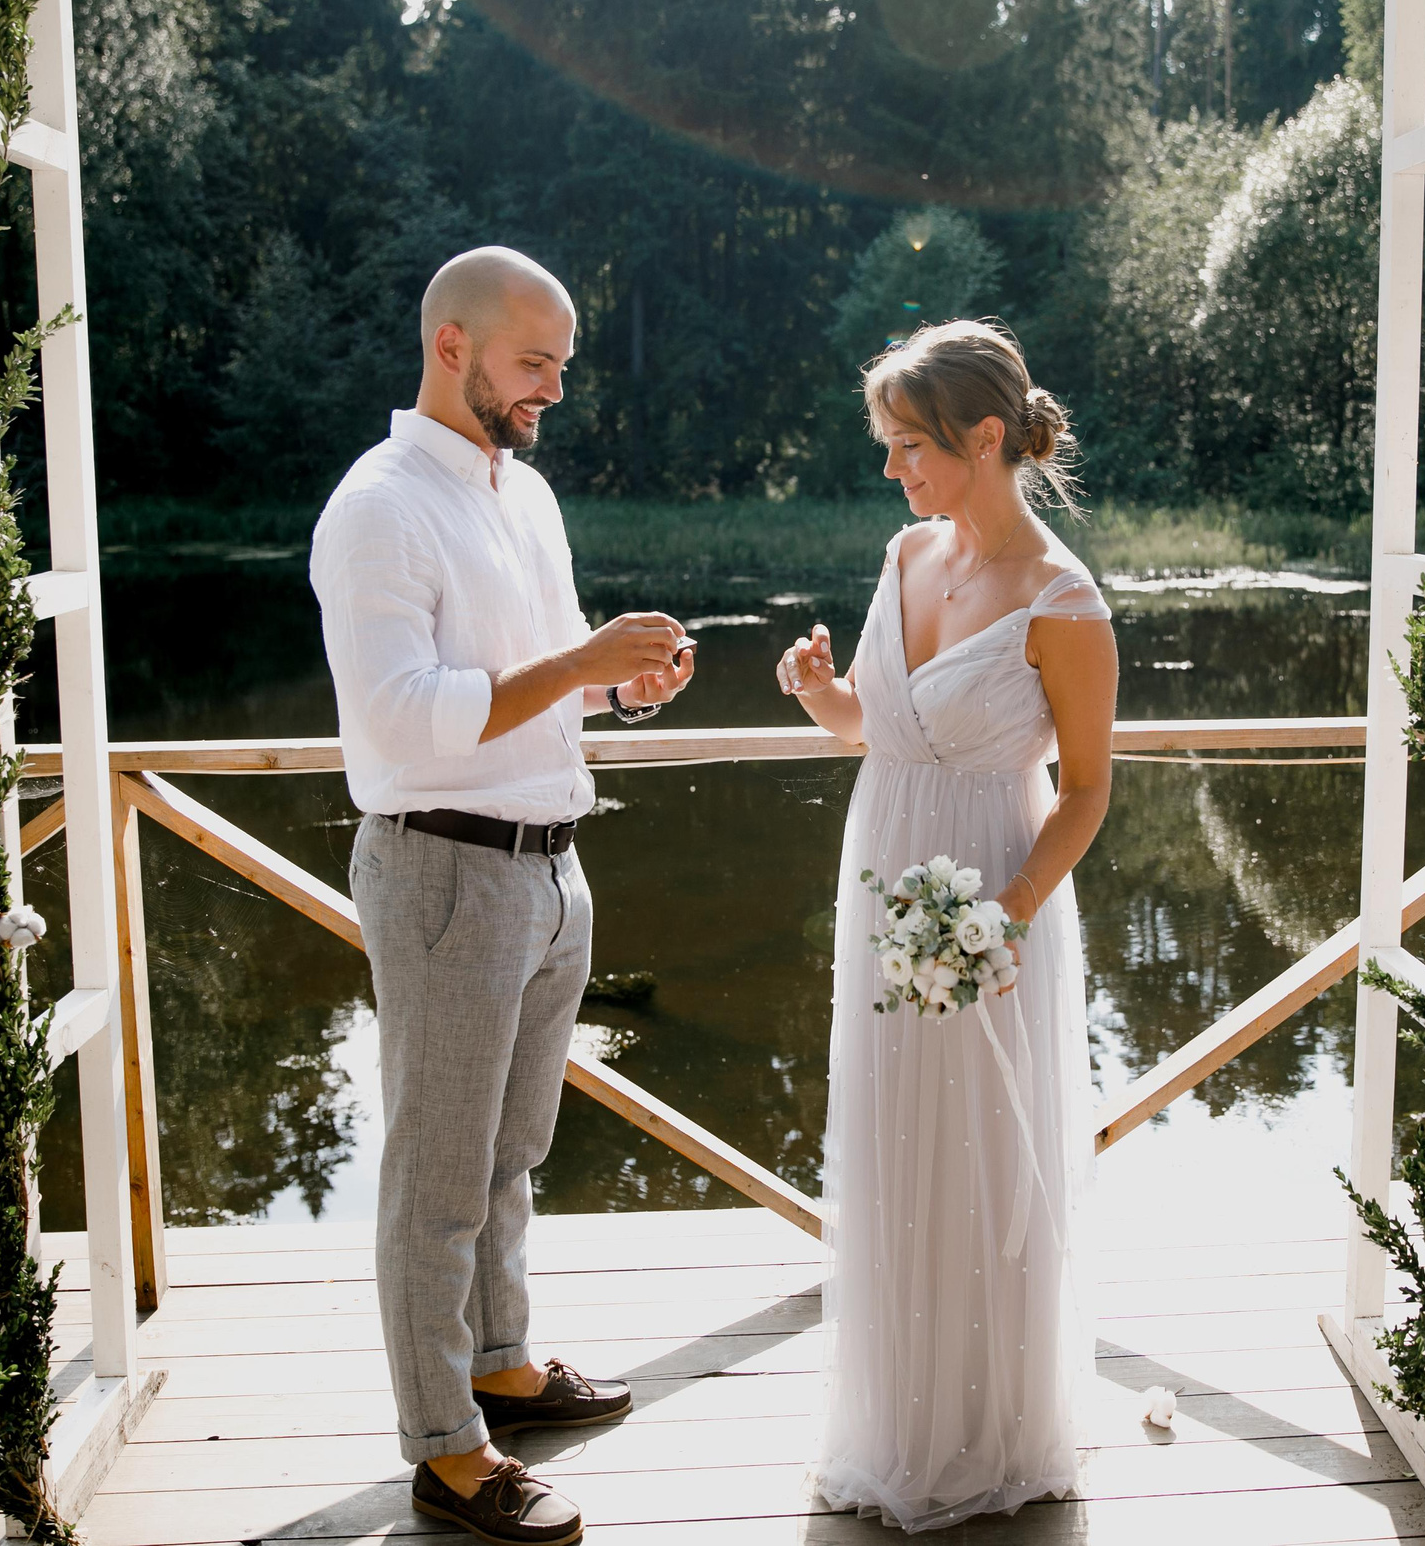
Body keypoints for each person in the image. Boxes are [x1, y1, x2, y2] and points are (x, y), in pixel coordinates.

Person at [311, 246, 699, 1546]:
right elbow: (402, 721)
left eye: (562, 368)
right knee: (437, 1175)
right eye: (536, 364)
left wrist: (619, 676)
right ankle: (446, 1448)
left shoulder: (523, 496)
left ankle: (499, 1360)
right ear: (452, 345)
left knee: (512, 1151)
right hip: (442, 867)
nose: (553, 390)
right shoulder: (377, 506)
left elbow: (543, 667)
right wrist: (579, 659)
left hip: (549, 868)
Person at [776, 320, 1118, 1531]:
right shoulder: (905, 552)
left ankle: (987, 1432)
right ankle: (894, 1423)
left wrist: (1000, 920)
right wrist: (827, 700)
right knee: (887, 1145)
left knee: (979, 1155)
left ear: (984, 438)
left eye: (908, 444)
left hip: (992, 901)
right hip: (881, 886)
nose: (891, 469)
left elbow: (1085, 793)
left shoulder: (1063, 602)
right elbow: (882, 725)